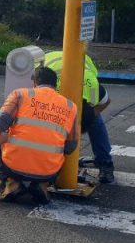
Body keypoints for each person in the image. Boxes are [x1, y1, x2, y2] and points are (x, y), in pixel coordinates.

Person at [0, 66, 79, 204]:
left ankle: (12, 184)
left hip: (14, 166)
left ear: (34, 82)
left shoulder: (21, 95)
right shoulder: (71, 107)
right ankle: (42, 185)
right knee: (59, 153)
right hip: (49, 170)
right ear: (55, 85)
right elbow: (70, 147)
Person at [42, 50, 114, 184]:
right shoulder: (56, 93)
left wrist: (92, 115)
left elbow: (106, 101)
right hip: (49, 64)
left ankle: (105, 163)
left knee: (96, 122)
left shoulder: (93, 91)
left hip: (81, 64)